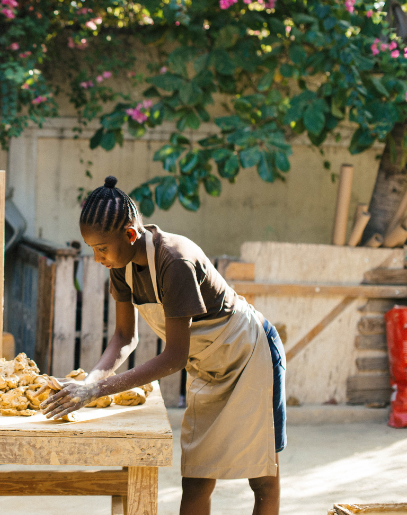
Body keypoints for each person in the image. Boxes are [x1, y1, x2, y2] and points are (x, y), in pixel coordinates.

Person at [43, 176, 286, 515]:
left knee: (262, 477)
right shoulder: (120, 265)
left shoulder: (175, 261)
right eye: (93, 249)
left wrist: (97, 391)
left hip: (249, 353)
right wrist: (89, 383)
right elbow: (124, 337)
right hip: (209, 366)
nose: (97, 258)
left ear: (130, 234)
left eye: (101, 248)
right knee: (198, 477)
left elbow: (174, 358)